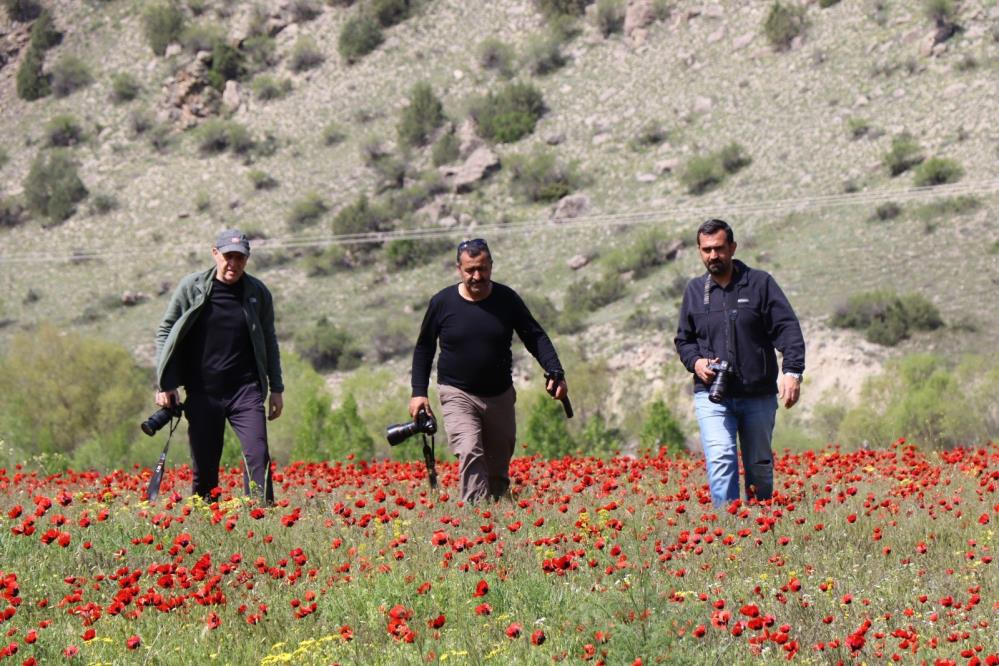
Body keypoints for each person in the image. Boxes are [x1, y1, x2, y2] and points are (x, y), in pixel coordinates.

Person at [409, 238, 568, 503]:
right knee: (470, 449)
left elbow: (535, 336)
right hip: (457, 392)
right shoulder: (442, 303)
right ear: (459, 269)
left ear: (491, 266)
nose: (477, 276)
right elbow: (424, 349)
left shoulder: (507, 299)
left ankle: (496, 518)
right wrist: (418, 393)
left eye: (482, 268)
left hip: (499, 395)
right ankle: (474, 518)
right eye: (470, 269)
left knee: (497, 466)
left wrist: (555, 371)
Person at [674, 219, 805, 506]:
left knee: (759, 466)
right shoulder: (695, 291)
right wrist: (697, 363)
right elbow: (684, 341)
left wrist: (792, 371)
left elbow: (787, 329)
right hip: (712, 395)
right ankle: (729, 532)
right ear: (699, 250)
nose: (713, 256)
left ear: (732, 247)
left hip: (757, 393)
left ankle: (762, 521)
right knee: (721, 458)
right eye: (706, 250)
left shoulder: (760, 284)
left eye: (719, 249)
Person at [154, 229, 284, 503]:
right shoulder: (192, 287)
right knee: (205, 467)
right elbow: (166, 330)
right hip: (203, 390)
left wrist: (277, 389)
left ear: (247, 260)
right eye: (228, 256)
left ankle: (261, 517)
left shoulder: (257, 293)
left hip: (245, 390)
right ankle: (205, 520)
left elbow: (270, 341)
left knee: (258, 455)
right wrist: (165, 383)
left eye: (240, 258)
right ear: (215, 254)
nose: (233, 264)